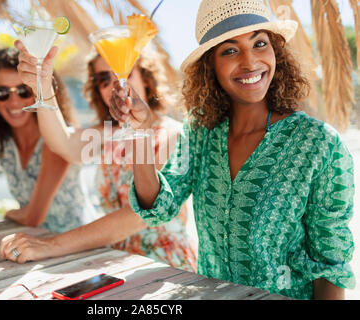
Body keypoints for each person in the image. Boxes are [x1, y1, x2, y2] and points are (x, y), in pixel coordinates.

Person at [109, 0, 355, 300]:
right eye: (229, 50)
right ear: (210, 64)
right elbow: (160, 206)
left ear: (275, 51)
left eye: (259, 43)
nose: (250, 62)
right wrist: (141, 132)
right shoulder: (201, 131)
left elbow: (330, 266)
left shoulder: (319, 145)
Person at [0, 40, 197, 273]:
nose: (115, 84)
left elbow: (139, 215)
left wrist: (51, 244)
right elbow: (62, 143)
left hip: (165, 268)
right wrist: (42, 85)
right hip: (113, 263)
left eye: (123, 73)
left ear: (145, 77)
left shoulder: (171, 134)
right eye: (104, 79)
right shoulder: (106, 133)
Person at [0, 47, 97, 235]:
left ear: (37, 90)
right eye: (2, 93)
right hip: (33, 244)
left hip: (79, 244)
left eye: (23, 91)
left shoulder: (58, 140)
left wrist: (7, 213)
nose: (14, 102)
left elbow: (34, 217)